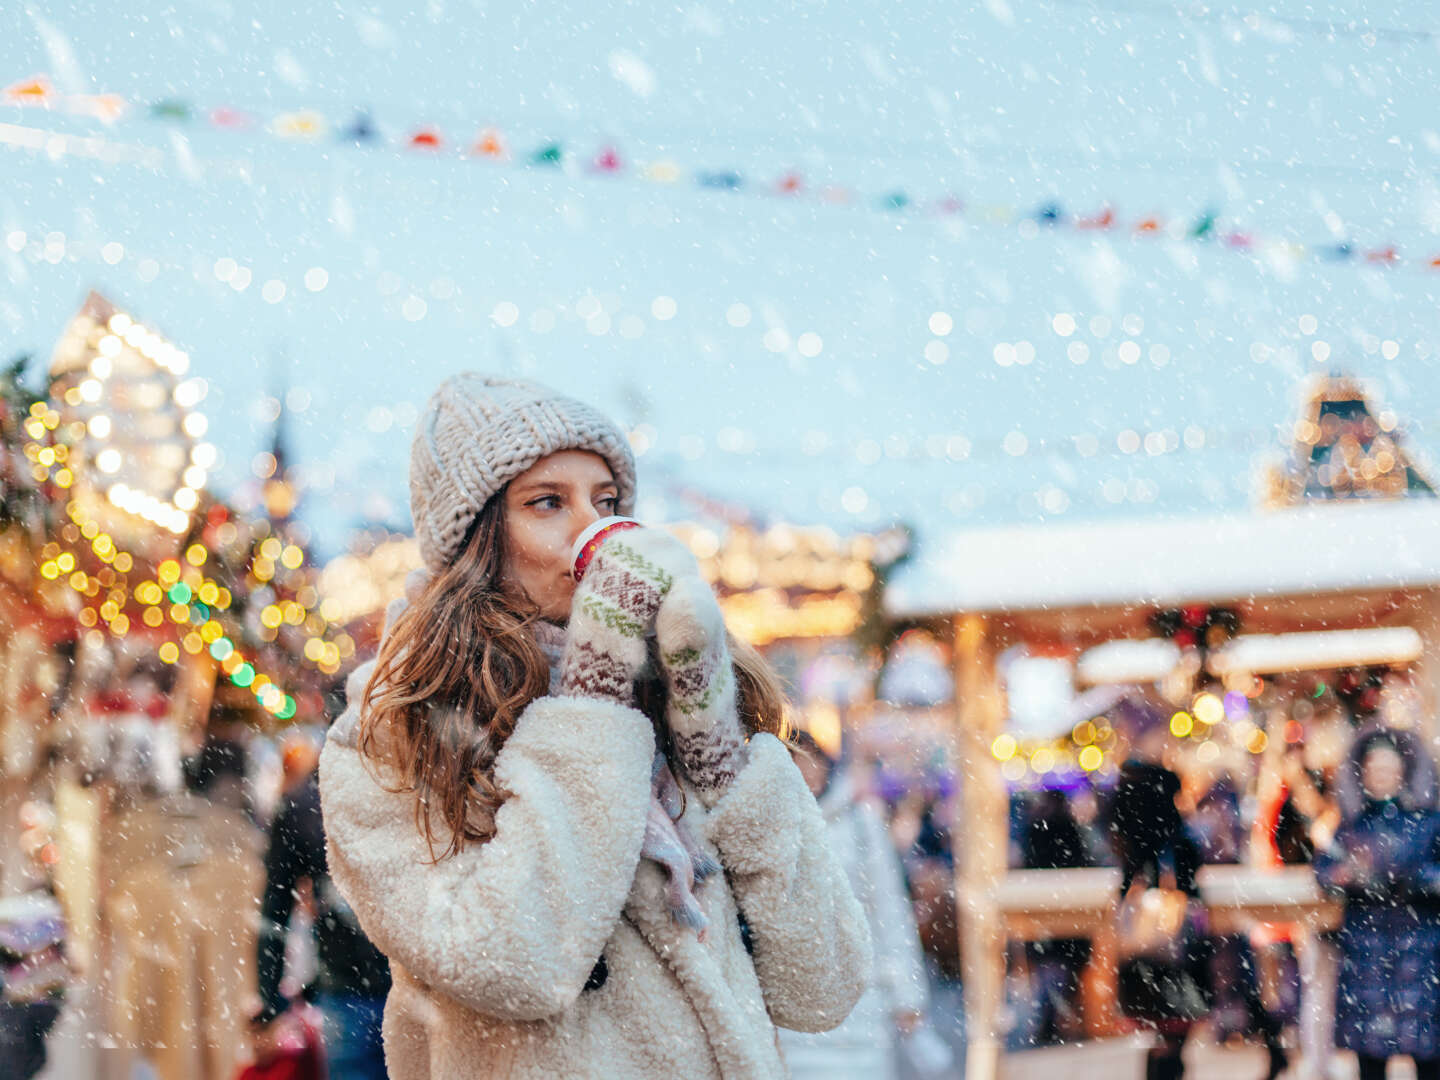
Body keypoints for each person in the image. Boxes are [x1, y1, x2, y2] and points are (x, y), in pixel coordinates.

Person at [318, 374, 870, 1079]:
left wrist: (717, 752)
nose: (594, 528)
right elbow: (515, 964)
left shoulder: (663, 705)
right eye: (548, 502)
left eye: (606, 502)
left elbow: (822, 986)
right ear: (476, 540)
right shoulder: (395, 732)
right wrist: (593, 698)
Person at [780, 731, 941, 1079]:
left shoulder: (860, 822)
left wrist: (908, 999)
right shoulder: (767, 828)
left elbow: (889, 910)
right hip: (793, 1006)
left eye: (811, 761)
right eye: (795, 763)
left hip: (860, 997)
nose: (806, 772)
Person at [253, 737, 391, 1080]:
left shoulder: (306, 802)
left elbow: (274, 909)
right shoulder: (406, 789)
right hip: (389, 987)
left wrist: (270, 1001)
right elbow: (274, 909)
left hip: (348, 987)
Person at [1314, 732, 1440, 1080]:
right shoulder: (1352, 823)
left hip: (1420, 950)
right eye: (1374, 766)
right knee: (1370, 1054)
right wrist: (1349, 877)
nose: (1381, 773)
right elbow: (1324, 868)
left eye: (1388, 765)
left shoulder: (1429, 821)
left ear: (1404, 769)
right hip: (1367, 951)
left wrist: (1417, 882)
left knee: (1427, 1051)